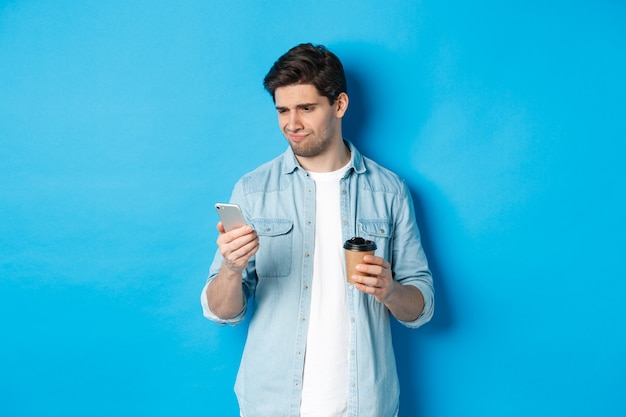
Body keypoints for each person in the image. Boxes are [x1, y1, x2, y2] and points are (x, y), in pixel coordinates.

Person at [201, 43, 434, 417]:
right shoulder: (253, 190)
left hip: (366, 405)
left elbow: (421, 307)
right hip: (271, 404)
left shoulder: (389, 191)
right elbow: (221, 312)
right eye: (282, 110)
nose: (291, 124)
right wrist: (231, 268)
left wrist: (390, 290)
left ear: (339, 105)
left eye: (306, 108)